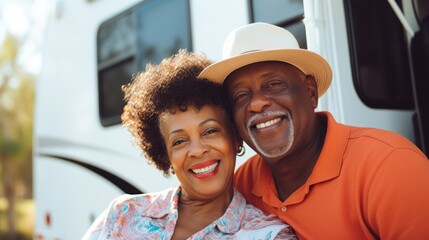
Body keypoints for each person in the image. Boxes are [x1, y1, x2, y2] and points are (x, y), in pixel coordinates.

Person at [199, 22, 429, 239]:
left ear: (310, 92)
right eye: (241, 96)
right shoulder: (241, 186)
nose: (257, 104)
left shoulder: (388, 165)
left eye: (273, 84)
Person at [82, 50, 296, 239]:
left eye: (210, 131)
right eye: (179, 141)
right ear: (165, 154)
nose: (197, 150)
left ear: (235, 137)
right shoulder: (123, 214)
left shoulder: (269, 235)